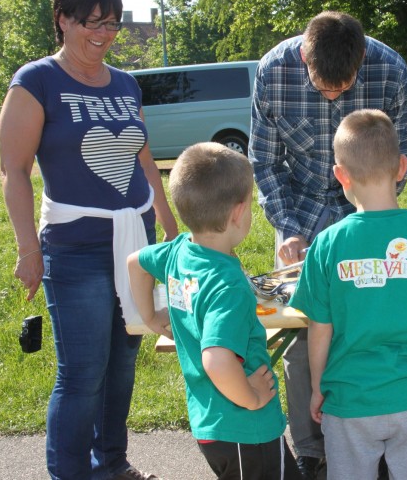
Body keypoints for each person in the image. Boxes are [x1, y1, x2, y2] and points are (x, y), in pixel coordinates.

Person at [0, 0, 178, 480]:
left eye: (112, 24)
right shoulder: (36, 81)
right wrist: (28, 251)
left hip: (135, 240)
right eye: (91, 22)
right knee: (82, 374)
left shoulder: (125, 84)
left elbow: (144, 160)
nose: (103, 34)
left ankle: (112, 465)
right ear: (63, 20)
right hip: (75, 247)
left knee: (122, 366)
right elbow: (14, 171)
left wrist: (169, 228)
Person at [249, 11, 407, 479]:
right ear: (305, 57)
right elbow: (264, 161)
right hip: (299, 212)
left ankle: (369, 437)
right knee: (302, 331)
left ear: (361, 59)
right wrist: (289, 228)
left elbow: (400, 159)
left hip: (365, 210)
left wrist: (365, 221)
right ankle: (311, 448)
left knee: (366, 321)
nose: (333, 96)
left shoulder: (391, 70)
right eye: (324, 88)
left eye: (344, 87)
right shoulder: (273, 71)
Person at [288, 109, 407, 480]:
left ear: (340, 175)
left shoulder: (326, 245)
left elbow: (320, 329)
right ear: (402, 167)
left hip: (348, 402)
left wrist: (318, 387)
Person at [127, 142, 300, 480]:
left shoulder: (179, 250)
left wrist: (150, 317)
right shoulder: (228, 286)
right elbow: (217, 360)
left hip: (211, 420)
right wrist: (251, 398)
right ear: (238, 212)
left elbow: (136, 263)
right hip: (245, 427)